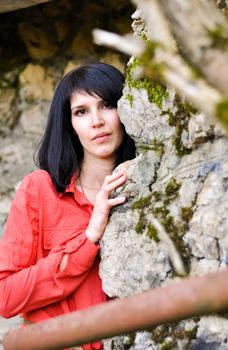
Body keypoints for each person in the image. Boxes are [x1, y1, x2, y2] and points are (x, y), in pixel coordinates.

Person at [0, 62, 136, 350]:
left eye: (107, 105)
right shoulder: (39, 190)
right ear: (69, 124)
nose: (97, 121)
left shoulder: (146, 189)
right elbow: (5, 297)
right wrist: (87, 239)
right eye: (81, 111)